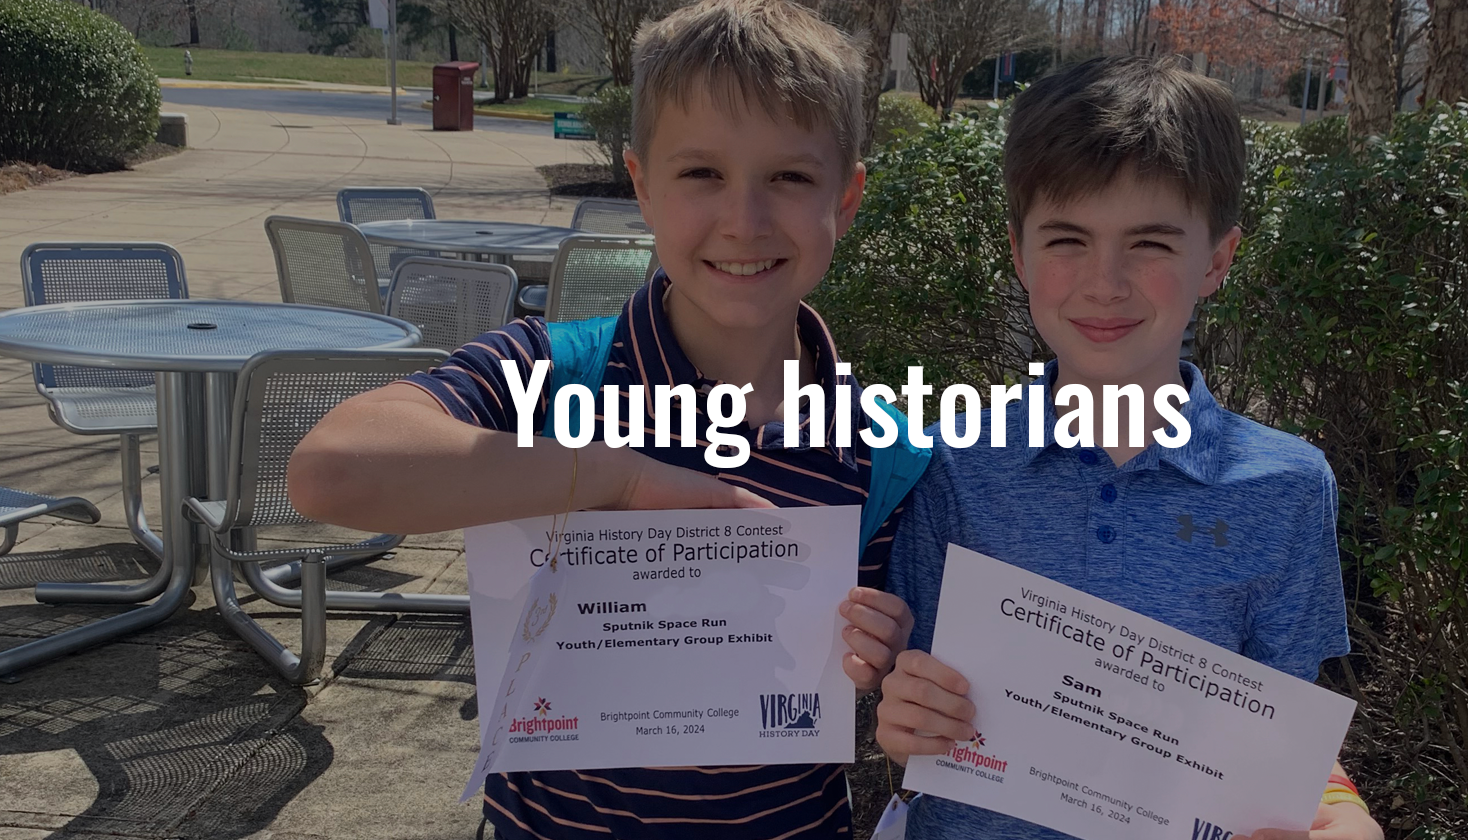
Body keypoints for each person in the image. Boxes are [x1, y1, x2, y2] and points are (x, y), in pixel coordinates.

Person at [288, 0, 916, 835]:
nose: (744, 221)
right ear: (642, 186)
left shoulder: (881, 452)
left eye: (791, 178)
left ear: (848, 196)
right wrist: (612, 479)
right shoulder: (551, 375)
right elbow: (330, 470)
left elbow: (907, 704)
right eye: (702, 174)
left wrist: (887, 660)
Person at [863, 57, 1386, 840]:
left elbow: (1282, 737)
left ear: (1216, 259)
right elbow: (914, 694)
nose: (1104, 283)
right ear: (1019, 254)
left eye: (1149, 243)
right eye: (1067, 239)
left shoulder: (1286, 486)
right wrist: (902, 720)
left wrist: (1340, 809)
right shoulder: (948, 465)